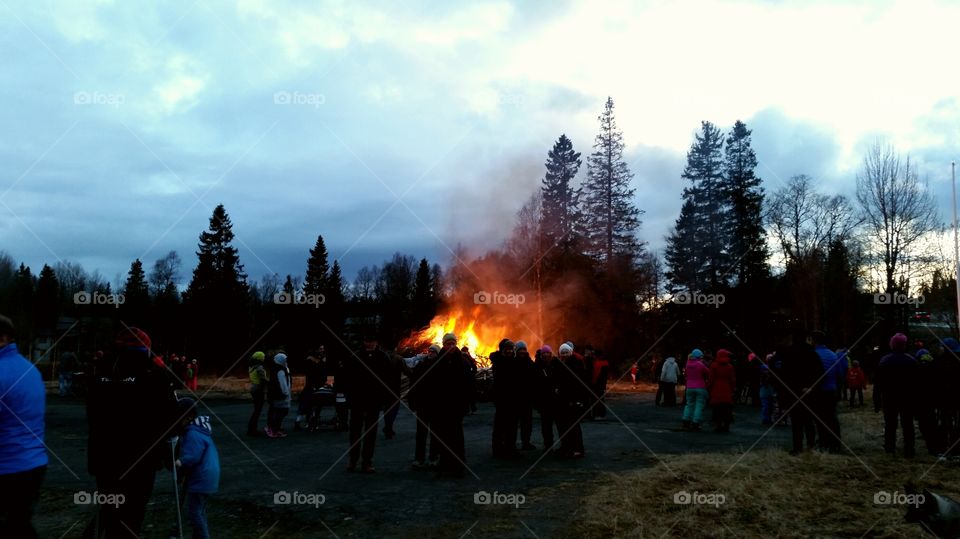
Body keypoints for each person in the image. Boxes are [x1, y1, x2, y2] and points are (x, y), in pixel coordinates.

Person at [83, 326, 179, 538]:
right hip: (141, 460)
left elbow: (92, 413)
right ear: (146, 348)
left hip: (105, 457)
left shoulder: (101, 371)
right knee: (132, 514)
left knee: (110, 507)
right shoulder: (155, 374)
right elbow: (171, 418)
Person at [0, 315, 47, 538]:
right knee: (19, 525)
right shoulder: (30, 369)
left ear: (2, 338)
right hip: (32, 464)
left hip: (7, 468)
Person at [173, 397, 220, 539]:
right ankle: (199, 536)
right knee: (200, 510)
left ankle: (203, 537)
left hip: (202, 478)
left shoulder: (193, 433)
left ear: (188, 417)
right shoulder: (199, 430)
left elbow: (192, 456)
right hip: (207, 476)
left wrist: (180, 462)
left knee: (194, 512)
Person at [426, 333, 471, 477]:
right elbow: (433, 385)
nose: (450, 346)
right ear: (444, 345)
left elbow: (467, 385)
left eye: (453, 343)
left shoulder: (462, 362)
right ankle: (445, 463)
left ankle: (458, 464)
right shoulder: (438, 362)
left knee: (457, 436)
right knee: (444, 435)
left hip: (456, 406)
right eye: (447, 344)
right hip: (442, 406)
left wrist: (465, 405)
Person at [343, 336, 390, 473]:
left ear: (376, 341)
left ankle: (367, 461)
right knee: (355, 431)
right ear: (364, 342)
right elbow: (348, 377)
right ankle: (353, 459)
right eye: (367, 341)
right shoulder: (356, 356)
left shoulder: (383, 357)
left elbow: (386, 378)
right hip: (358, 399)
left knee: (371, 432)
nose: (369, 343)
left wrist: (383, 398)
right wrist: (350, 397)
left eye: (372, 340)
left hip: (373, 400)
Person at [874, 333, 920, 457]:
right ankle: (909, 450)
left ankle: (890, 449)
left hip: (889, 398)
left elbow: (878, 384)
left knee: (890, 424)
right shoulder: (911, 361)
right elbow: (917, 384)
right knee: (908, 425)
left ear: (892, 345)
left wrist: (877, 401)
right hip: (907, 398)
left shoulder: (884, 361)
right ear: (904, 345)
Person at [780, 329, 825, 455]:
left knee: (796, 423)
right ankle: (810, 445)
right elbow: (820, 373)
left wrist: (793, 389)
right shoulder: (812, 353)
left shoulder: (788, 353)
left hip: (794, 392)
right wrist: (811, 387)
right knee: (809, 420)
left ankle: (797, 447)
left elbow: (785, 376)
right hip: (810, 392)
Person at [811, 331, 844, 452]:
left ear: (814, 341)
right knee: (832, 417)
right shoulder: (833, 355)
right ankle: (835, 443)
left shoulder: (813, 354)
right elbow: (839, 375)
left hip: (819, 391)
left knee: (820, 418)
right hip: (832, 390)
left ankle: (823, 443)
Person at [409, 345, 440, 469]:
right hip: (423, 405)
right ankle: (419, 458)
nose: (431, 353)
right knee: (420, 433)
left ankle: (433, 457)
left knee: (435, 433)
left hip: (436, 405)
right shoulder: (420, 367)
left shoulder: (441, 367)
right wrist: (412, 401)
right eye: (430, 351)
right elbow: (413, 384)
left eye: (434, 351)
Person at [555, 343, 588, 458]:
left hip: (572, 401)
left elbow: (578, 385)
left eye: (566, 352)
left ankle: (578, 449)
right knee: (564, 426)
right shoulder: (560, 365)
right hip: (563, 401)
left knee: (573, 426)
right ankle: (567, 448)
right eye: (562, 352)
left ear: (570, 352)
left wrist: (576, 399)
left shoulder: (576, 364)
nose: (564, 354)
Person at [490, 339, 521, 458]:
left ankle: (510, 448)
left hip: (513, 400)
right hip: (502, 400)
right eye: (507, 349)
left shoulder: (513, 361)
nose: (509, 351)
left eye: (511, 349)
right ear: (502, 349)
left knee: (512, 426)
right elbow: (501, 380)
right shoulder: (498, 362)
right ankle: (498, 450)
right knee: (500, 426)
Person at [295, 347, 329, 432]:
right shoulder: (311, 360)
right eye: (320, 348)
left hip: (318, 385)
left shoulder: (321, 359)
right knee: (305, 404)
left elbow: (322, 373)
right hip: (311, 385)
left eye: (322, 348)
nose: (322, 350)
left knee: (315, 405)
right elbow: (312, 373)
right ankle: (299, 422)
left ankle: (312, 421)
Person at [534, 345, 558, 451]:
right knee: (546, 425)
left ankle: (564, 444)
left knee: (559, 423)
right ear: (541, 354)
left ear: (550, 354)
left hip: (555, 398)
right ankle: (548, 445)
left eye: (548, 352)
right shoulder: (538, 366)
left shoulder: (555, 364)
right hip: (544, 399)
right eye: (544, 353)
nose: (546, 354)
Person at [681, 349, 710, 431]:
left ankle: (685, 420)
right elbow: (708, 372)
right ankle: (695, 422)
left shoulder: (687, 364)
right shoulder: (700, 364)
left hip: (689, 387)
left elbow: (686, 374)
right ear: (699, 356)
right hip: (700, 387)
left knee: (689, 404)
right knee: (699, 405)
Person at [708, 349, 736, 432]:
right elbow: (732, 380)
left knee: (717, 409)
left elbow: (711, 379)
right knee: (726, 409)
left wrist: (709, 388)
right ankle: (726, 426)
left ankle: (718, 425)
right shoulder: (730, 366)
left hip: (716, 389)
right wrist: (733, 389)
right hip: (727, 389)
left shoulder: (714, 366)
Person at [515, 341, 536, 450]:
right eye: (520, 350)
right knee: (513, 423)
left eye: (524, 349)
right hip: (515, 398)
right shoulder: (512, 363)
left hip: (527, 398)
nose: (522, 351)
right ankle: (511, 444)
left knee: (527, 422)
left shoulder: (529, 362)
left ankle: (526, 442)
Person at [266, 352, 291, 438]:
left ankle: (274, 429)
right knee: (281, 412)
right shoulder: (280, 369)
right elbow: (283, 383)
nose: (286, 361)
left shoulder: (275, 368)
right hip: (281, 395)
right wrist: (286, 392)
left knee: (276, 412)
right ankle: (274, 430)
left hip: (275, 394)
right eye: (285, 359)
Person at [381, 348, 404, 439]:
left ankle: (388, 427)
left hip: (384, 387)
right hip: (395, 388)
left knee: (387, 408)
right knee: (394, 408)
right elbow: (407, 370)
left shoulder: (381, 357)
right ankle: (388, 428)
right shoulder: (398, 358)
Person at [247, 351, 268, 436]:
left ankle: (251, 428)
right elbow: (263, 379)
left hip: (253, 388)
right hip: (259, 389)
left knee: (256, 410)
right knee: (257, 411)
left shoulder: (251, 367)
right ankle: (252, 429)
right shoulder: (259, 368)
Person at [589, 349, 609, 419]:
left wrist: (593, 383)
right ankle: (601, 414)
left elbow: (596, 375)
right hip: (601, 385)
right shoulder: (605, 362)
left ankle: (598, 414)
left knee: (596, 400)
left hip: (597, 385)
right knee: (600, 400)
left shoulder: (598, 363)